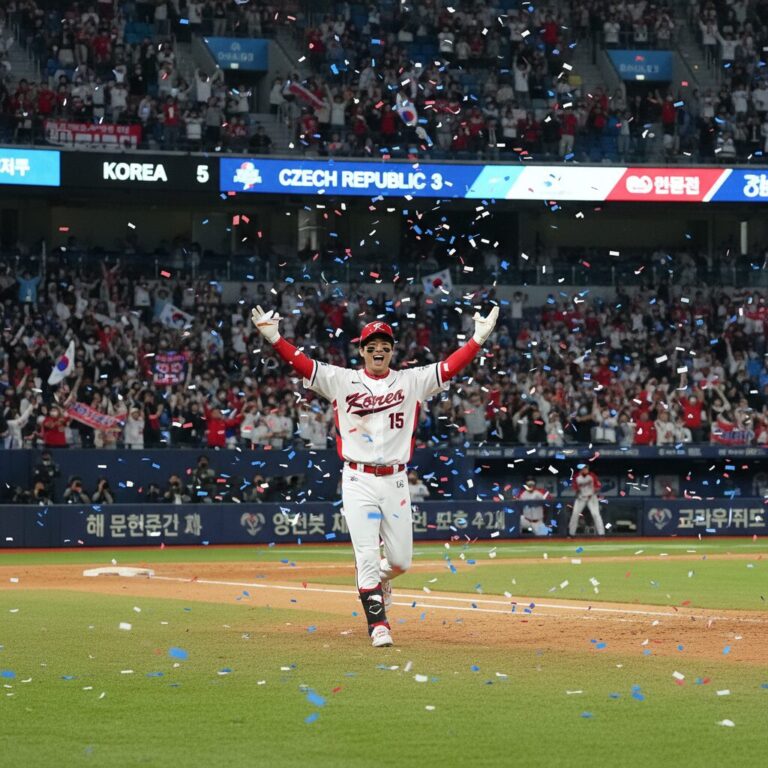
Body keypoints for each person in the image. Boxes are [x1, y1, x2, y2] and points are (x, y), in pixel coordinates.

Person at [250, 304, 498, 648]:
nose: (378, 350)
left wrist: (477, 339)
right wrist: (275, 338)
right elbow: (303, 364)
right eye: (371, 345)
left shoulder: (411, 380)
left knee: (400, 561)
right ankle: (378, 624)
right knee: (366, 555)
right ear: (362, 351)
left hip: (396, 480)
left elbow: (448, 367)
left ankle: (381, 582)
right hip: (357, 479)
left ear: (392, 351)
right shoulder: (341, 380)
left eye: (385, 345)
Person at [568, 465, 605, 536]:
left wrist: (593, 492)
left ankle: (601, 534)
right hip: (581, 498)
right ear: (581, 470)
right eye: (584, 468)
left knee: (595, 514)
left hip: (592, 497)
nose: (585, 469)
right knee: (575, 514)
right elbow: (575, 488)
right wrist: (578, 492)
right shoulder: (576, 477)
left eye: (586, 468)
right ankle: (571, 534)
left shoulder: (592, 475)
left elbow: (598, 487)